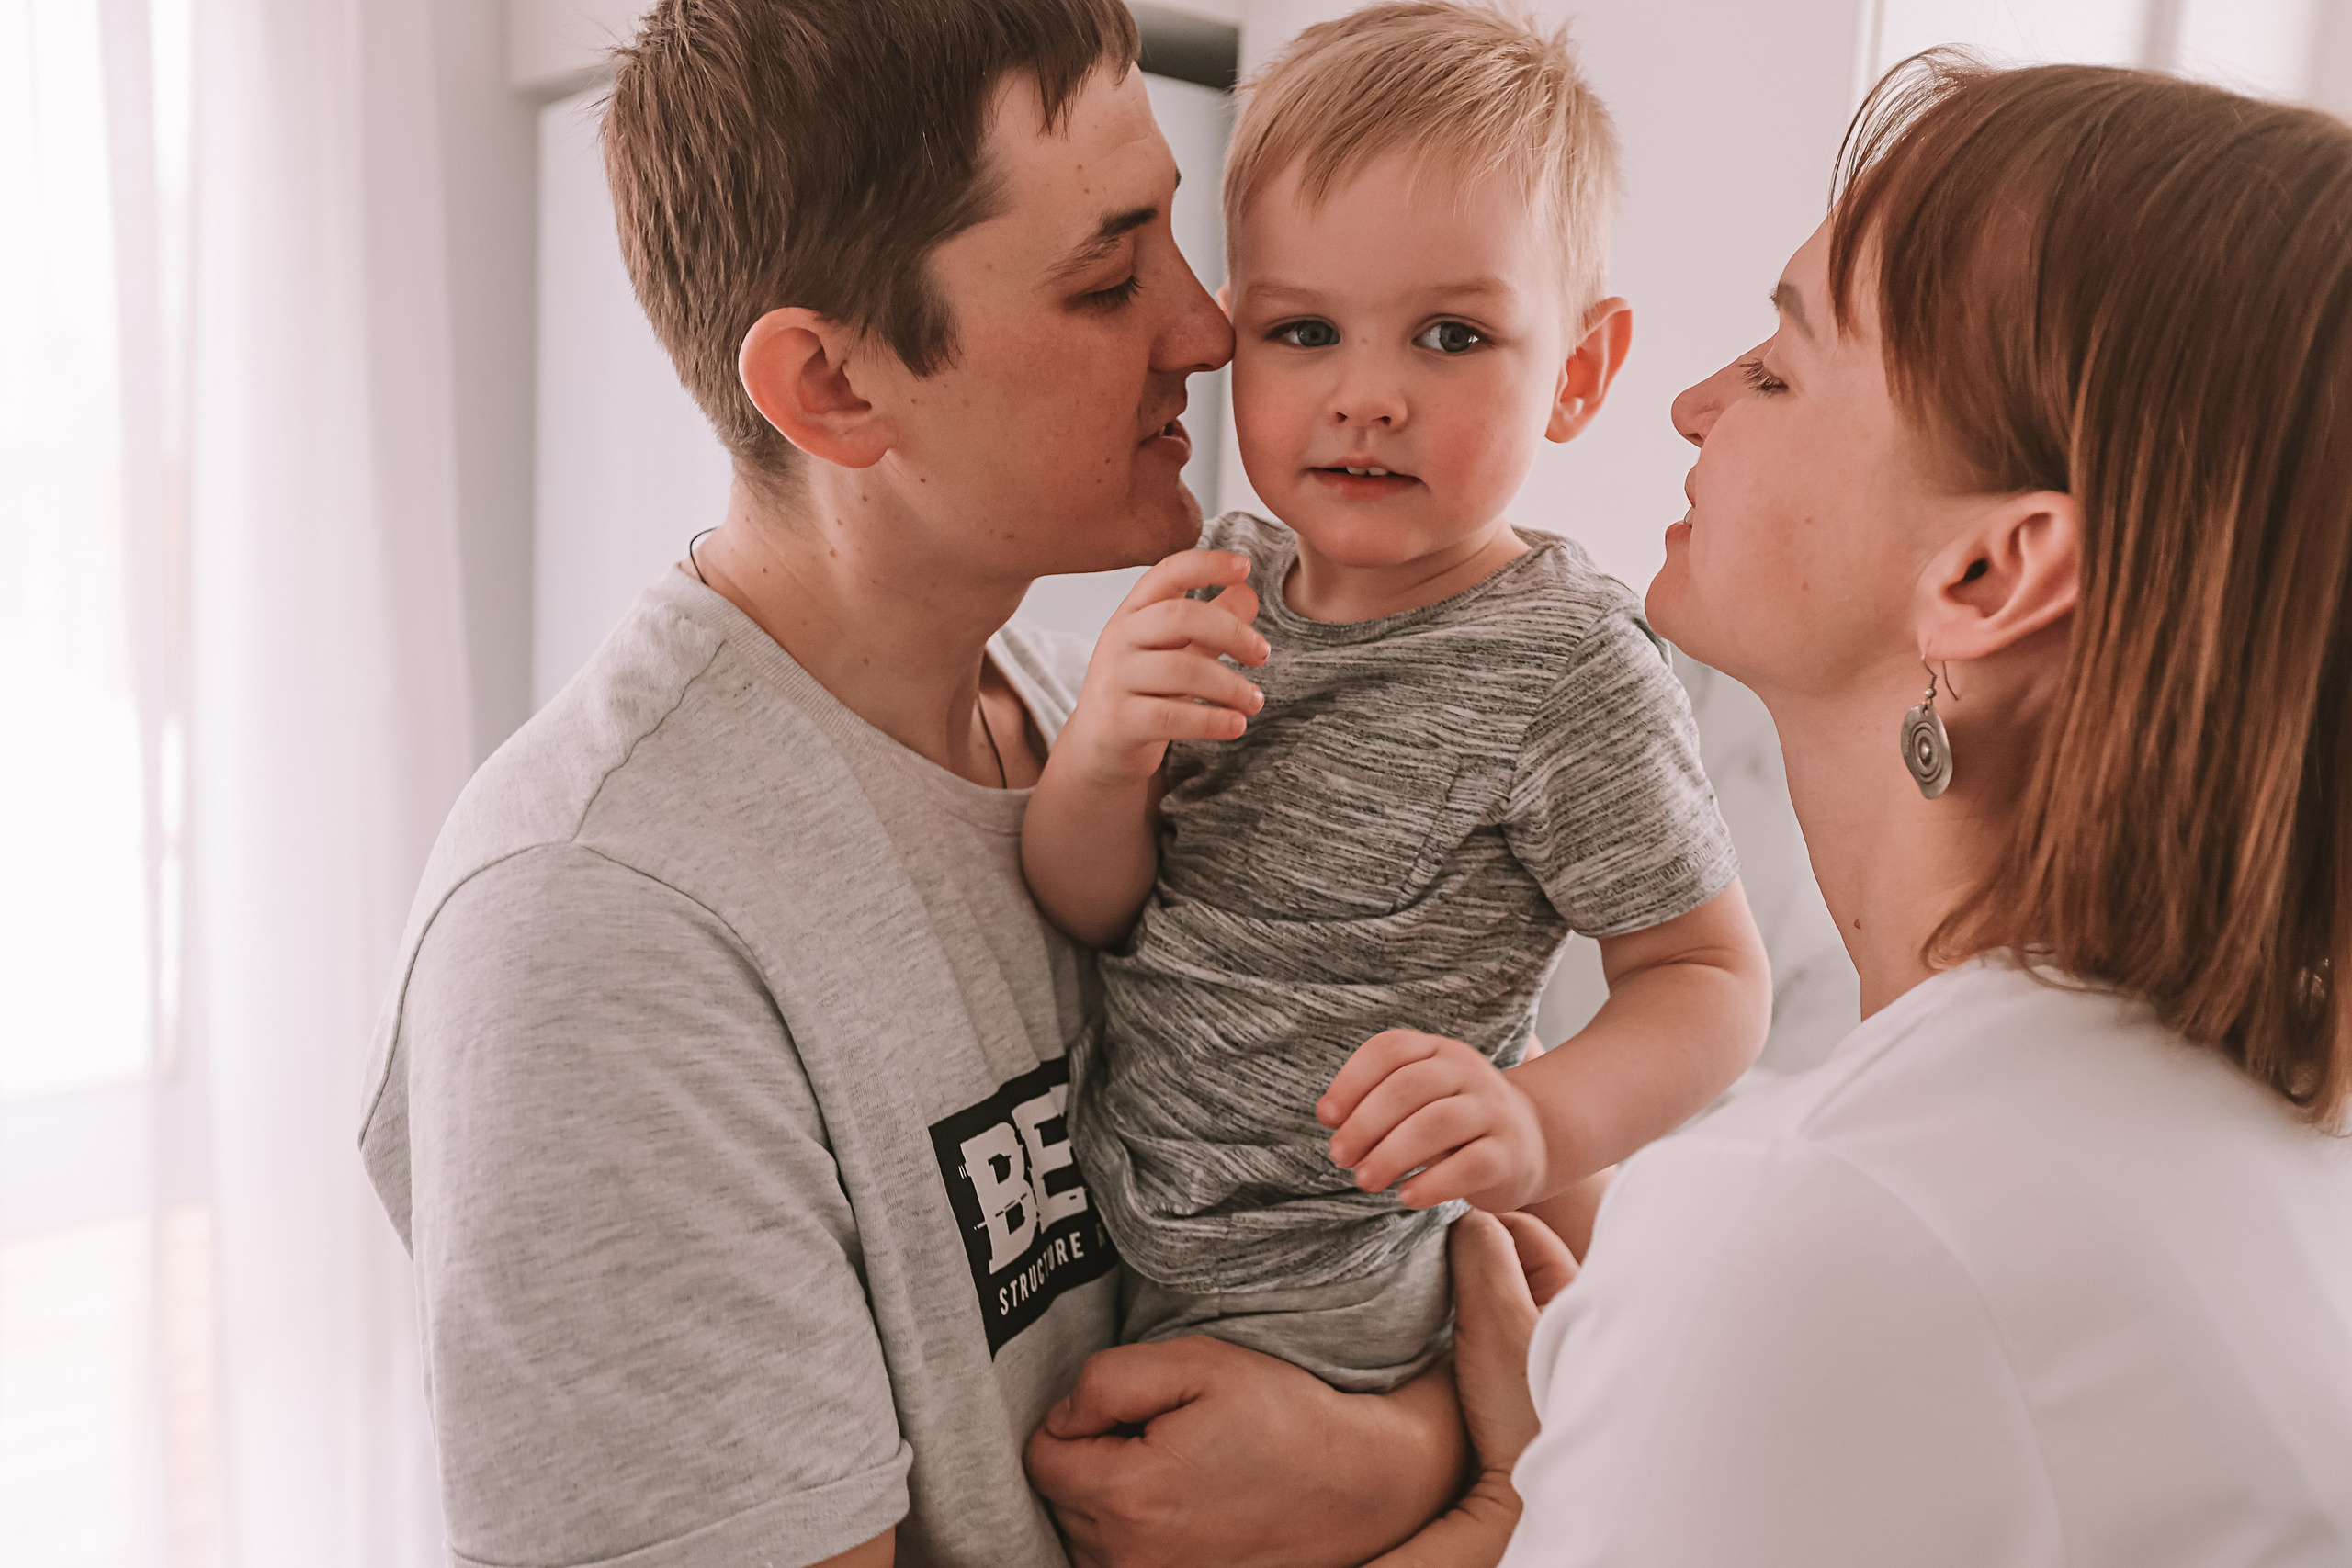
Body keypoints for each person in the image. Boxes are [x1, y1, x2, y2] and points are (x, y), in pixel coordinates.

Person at [356, 3, 1467, 1564]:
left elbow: (1499, 1267)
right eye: (1106, 279)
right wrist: (1477, 1502)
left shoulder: (1127, 733)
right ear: (830, 388)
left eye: (1176, 239)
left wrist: (1387, 1455)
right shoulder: (592, 936)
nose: (1210, 328)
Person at [1385, 54, 2352, 1567]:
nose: (1697, 402)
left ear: (1988, 576)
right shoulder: (2272, 1134)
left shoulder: (1826, 1223)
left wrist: (1513, 1507)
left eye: (1780, 367)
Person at [1019, 1, 1770, 1395]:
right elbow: (1094, 904)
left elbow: (1711, 983)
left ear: (1580, 374)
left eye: (1449, 337)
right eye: (1303, 331)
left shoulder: (1568, 666)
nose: (1367, 396)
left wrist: (1536, 1123)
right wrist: (1104, 760)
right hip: (1129, 1230)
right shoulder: (1211, 587)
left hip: (1353, 1281)